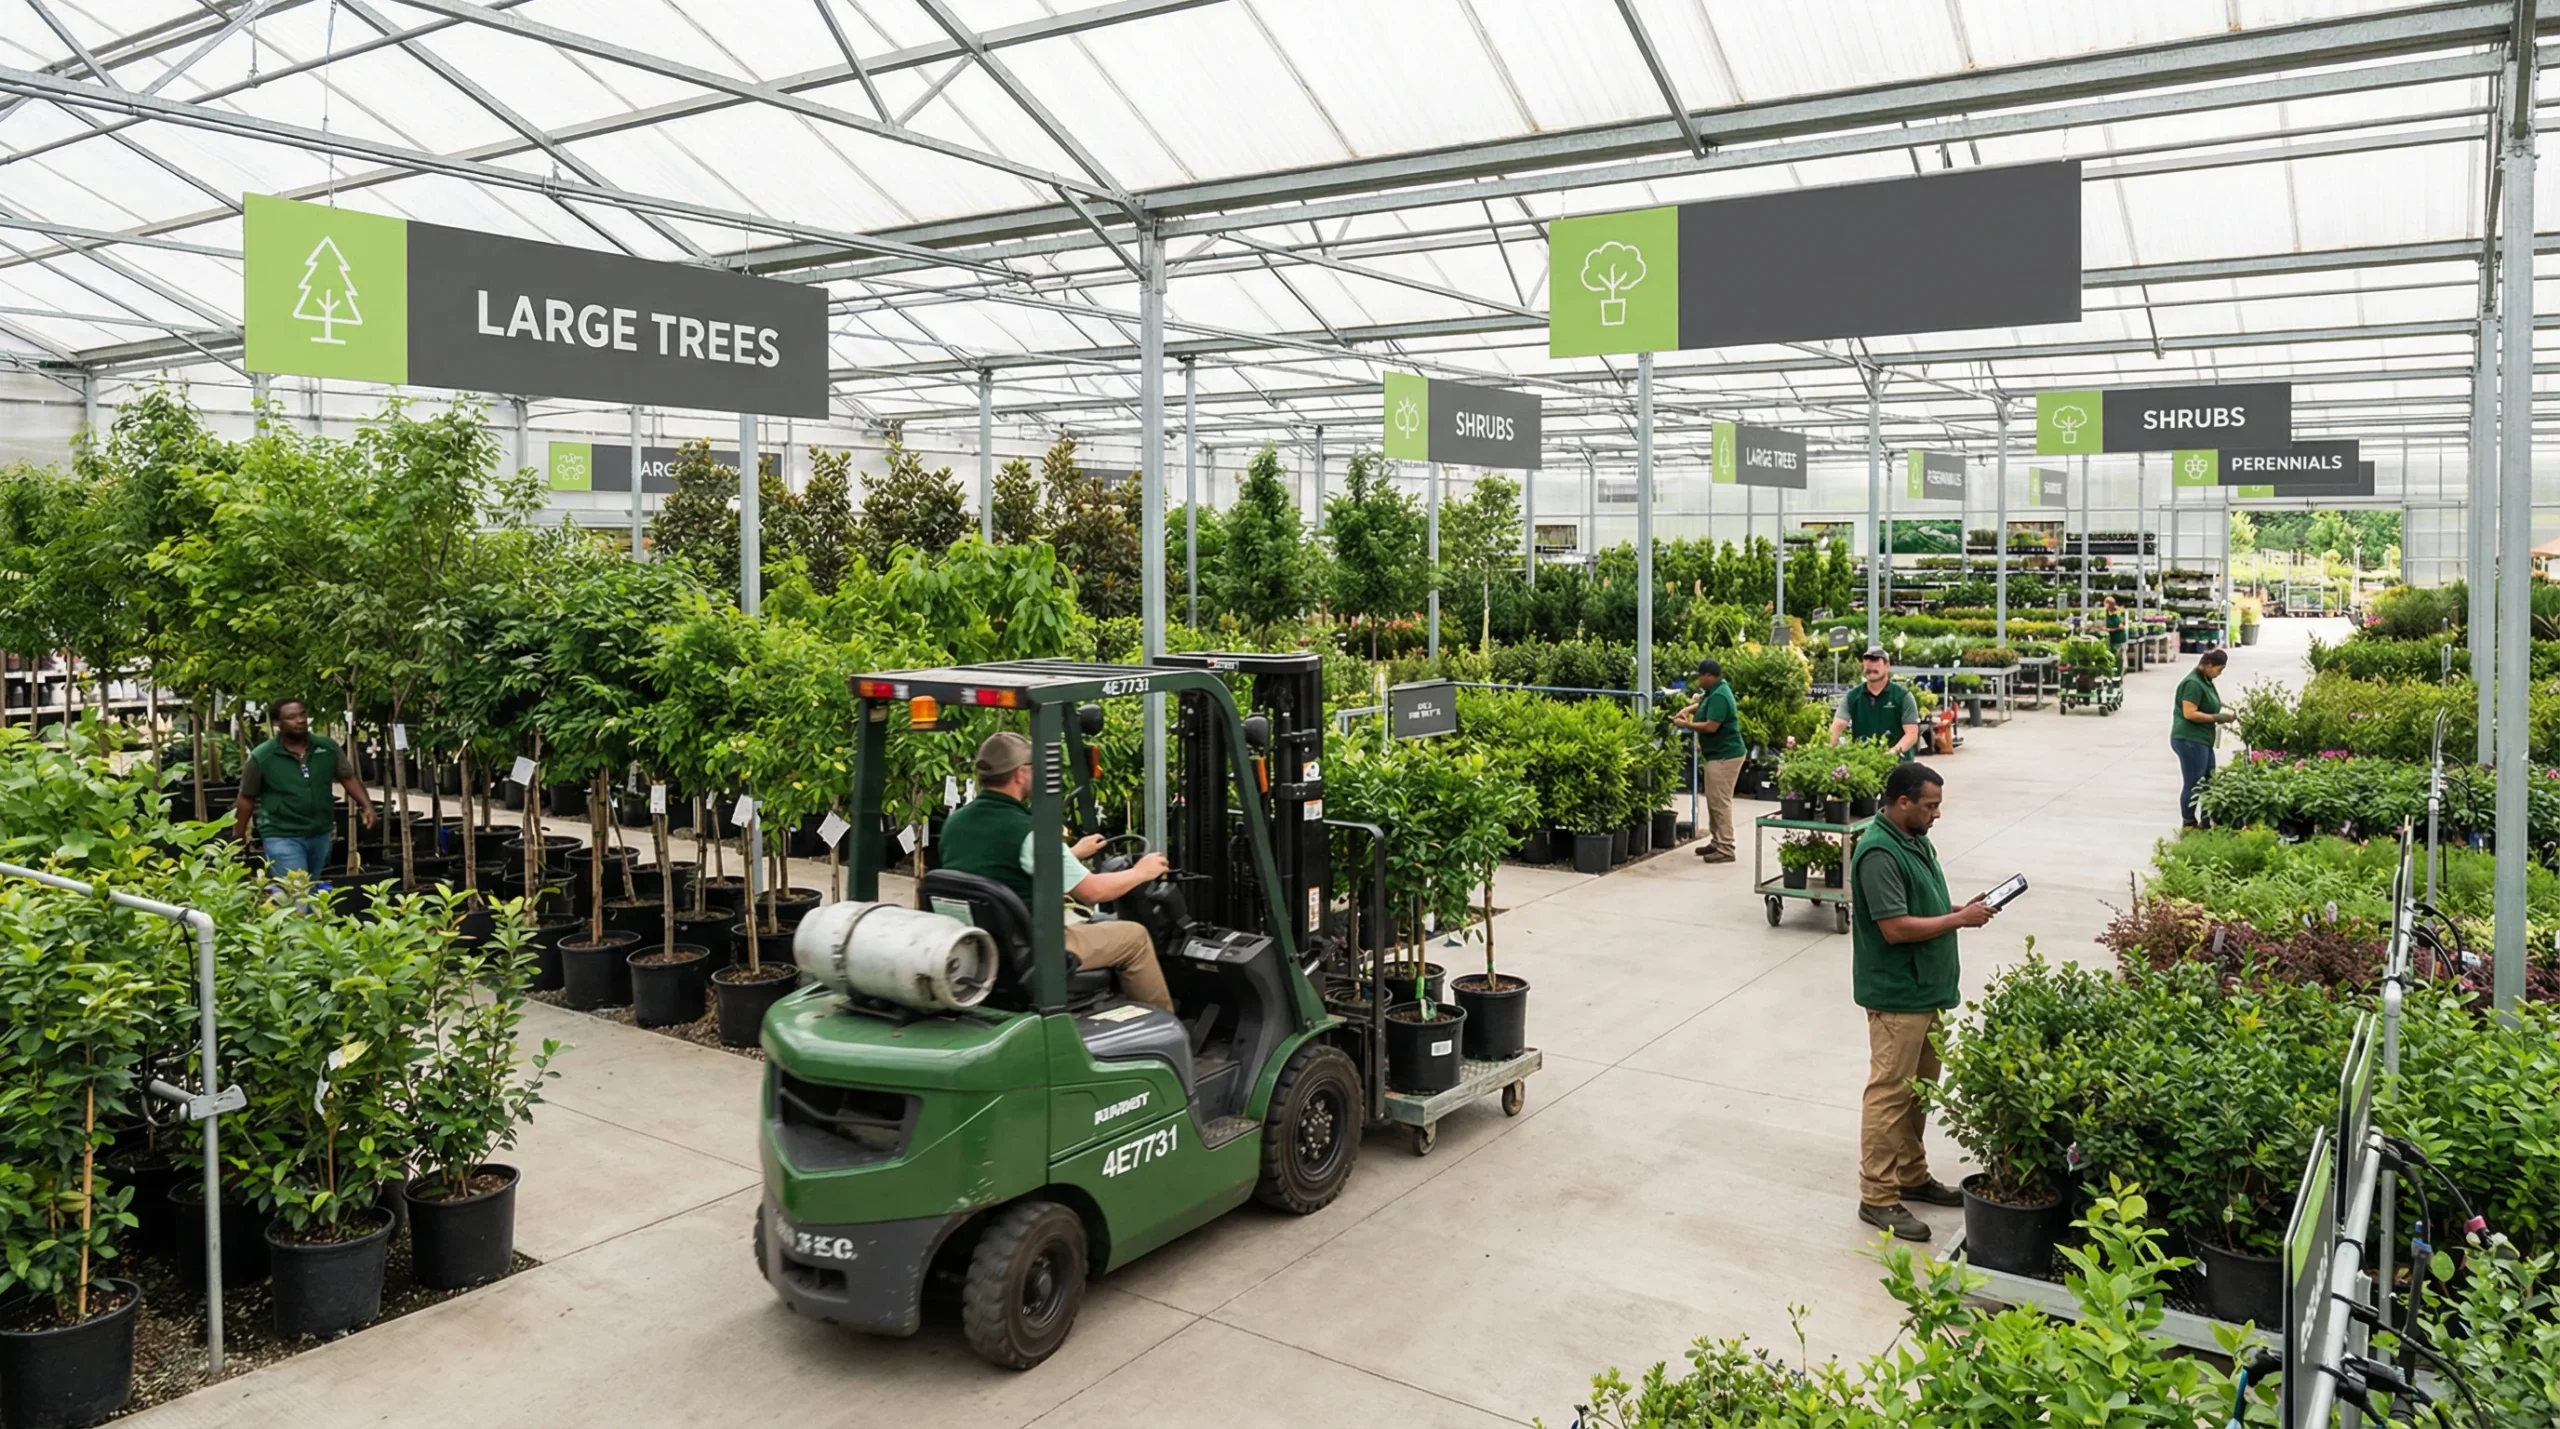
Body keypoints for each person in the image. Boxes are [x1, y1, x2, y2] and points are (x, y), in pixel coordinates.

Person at [1849, 761, 1992, 1241]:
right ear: (1902, 802)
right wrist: (1959, 922)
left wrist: (1958, 909)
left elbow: (1917, 907)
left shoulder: (1914, 839)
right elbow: (1895, 928)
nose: (1937, 815)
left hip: (1924, 991)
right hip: (1897, 996)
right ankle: (1878, 1196)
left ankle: (1911, 1175)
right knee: (1890, 1094)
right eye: (1930, 806)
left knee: (1918, 1093)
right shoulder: (1877, 853)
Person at [939, 731, 1175, 1013]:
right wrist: (1141, 871)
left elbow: (996, 867)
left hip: (985, 944)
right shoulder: (1030, 832)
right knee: (1134, 937)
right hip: (1036, 947)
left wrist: (1071, 854)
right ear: (1019, 774)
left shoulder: (956, 822)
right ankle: (1166, 1028)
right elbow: (1092, 892)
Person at [233, 698, 375, 882]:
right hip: (281, 834)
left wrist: (367, 805)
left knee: (310, 886)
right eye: (291, 717)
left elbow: (347, 777)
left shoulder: (326, 748)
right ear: (277, 723)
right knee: (297, 891)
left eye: (302, 715)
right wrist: (239, 833)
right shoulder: (263, 756)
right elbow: (246, 797)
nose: (300, 720)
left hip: (320, 831)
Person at [1673, 658, 1746, 864]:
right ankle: (1717, 842)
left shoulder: (1721, 695)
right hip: (1718, 755)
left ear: (1708, 676)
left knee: (1720, 802)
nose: (1699, 680)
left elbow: (1711, 726)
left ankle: (1726, 847)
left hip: (1726, 756)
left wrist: (1685, 725)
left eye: (1700, 676)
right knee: (1714, 800)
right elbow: (1705, 705)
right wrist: (1689, 710)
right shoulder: (1715, 692)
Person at [2172, 649, 2239, 828]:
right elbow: (2189, 713)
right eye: (2219, 669)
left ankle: (2206, 818)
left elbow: (2208, 701)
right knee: (2193, 782)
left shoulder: (2205, 680)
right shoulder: (2192, 683)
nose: (2220, 674)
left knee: (2210, 780)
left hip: (2203, 739)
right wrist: (2216, 718)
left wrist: (2224, 707)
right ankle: (2189, 821)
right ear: (2208, 666)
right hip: (2189, 739)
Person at [1831, 646, 1921, 758]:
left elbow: (1912, 734)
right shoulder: (1852, 697)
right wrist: (1829, 751)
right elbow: (1838, 725)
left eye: (1875, 662)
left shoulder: (1903, 696)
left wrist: (1892, 752)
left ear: (1887, 666)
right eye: (1868, 663)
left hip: (1898, 765)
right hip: (1863, 763)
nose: (1871, 666)